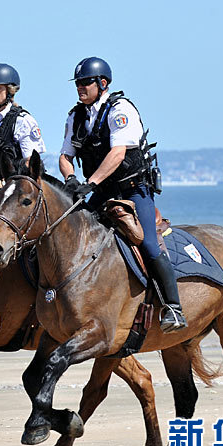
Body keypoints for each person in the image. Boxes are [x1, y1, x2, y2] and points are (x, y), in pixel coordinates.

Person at [58, 57, 187, 332]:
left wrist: (90, 182)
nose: (80, 88)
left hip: (132, 191)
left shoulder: (120, 110)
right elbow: (65, 155)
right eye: (77, 83)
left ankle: (173, 309)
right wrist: (70, 179)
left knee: (149, 245)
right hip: (100, 191)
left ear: (102, 83)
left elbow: (117, 154)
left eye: (85, 83)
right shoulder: (75, 116)